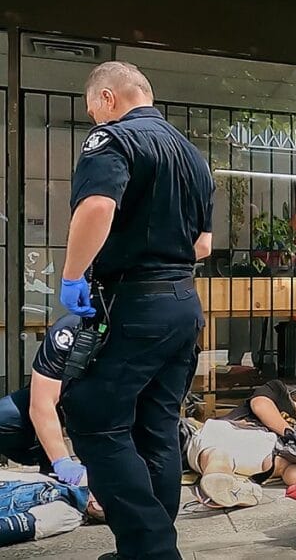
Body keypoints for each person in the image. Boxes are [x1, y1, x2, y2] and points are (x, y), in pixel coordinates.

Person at [58, 61, 214, 560]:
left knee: (93, 416)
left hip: (134, 301)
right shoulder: (193, 156)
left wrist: (72, 275)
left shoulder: (115, 140)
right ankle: (145, 547)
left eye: (92, 111)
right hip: (182, 303)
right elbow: (204, 245)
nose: (94, 122)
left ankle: (151, 550)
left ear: (108, 98)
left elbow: (98, 206)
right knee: (157, 425)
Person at [0, 314, 103, 519]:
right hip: (62, 400)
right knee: (4, 416)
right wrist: (61, 461)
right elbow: (41, 403)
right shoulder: (72, 327)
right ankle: (55, 467)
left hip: (110, 416)